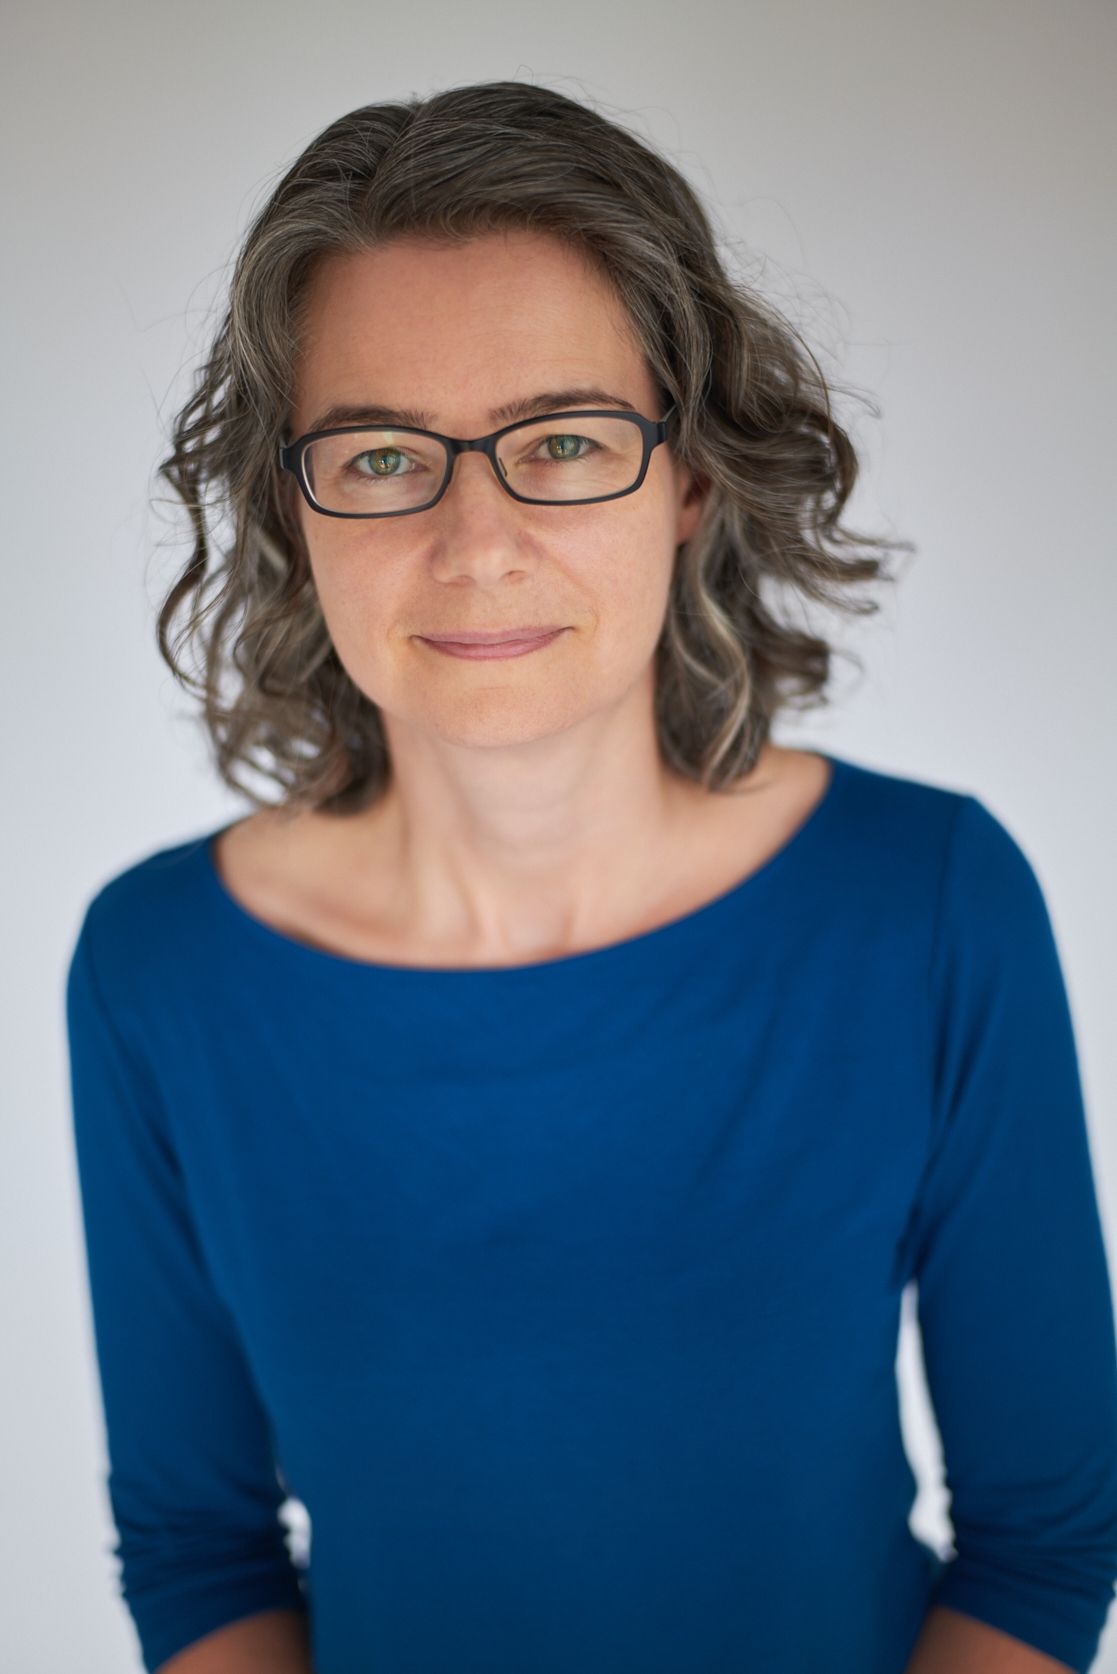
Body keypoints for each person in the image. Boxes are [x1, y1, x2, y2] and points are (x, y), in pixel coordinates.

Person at [64, 80, 1117, 1674]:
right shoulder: (161, 970)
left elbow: (1045, 1543)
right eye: (380, 453)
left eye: (561, 441)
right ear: (293, 499)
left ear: (690, 476)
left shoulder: (925, 905)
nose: (475, 540)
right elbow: (200, 1554)